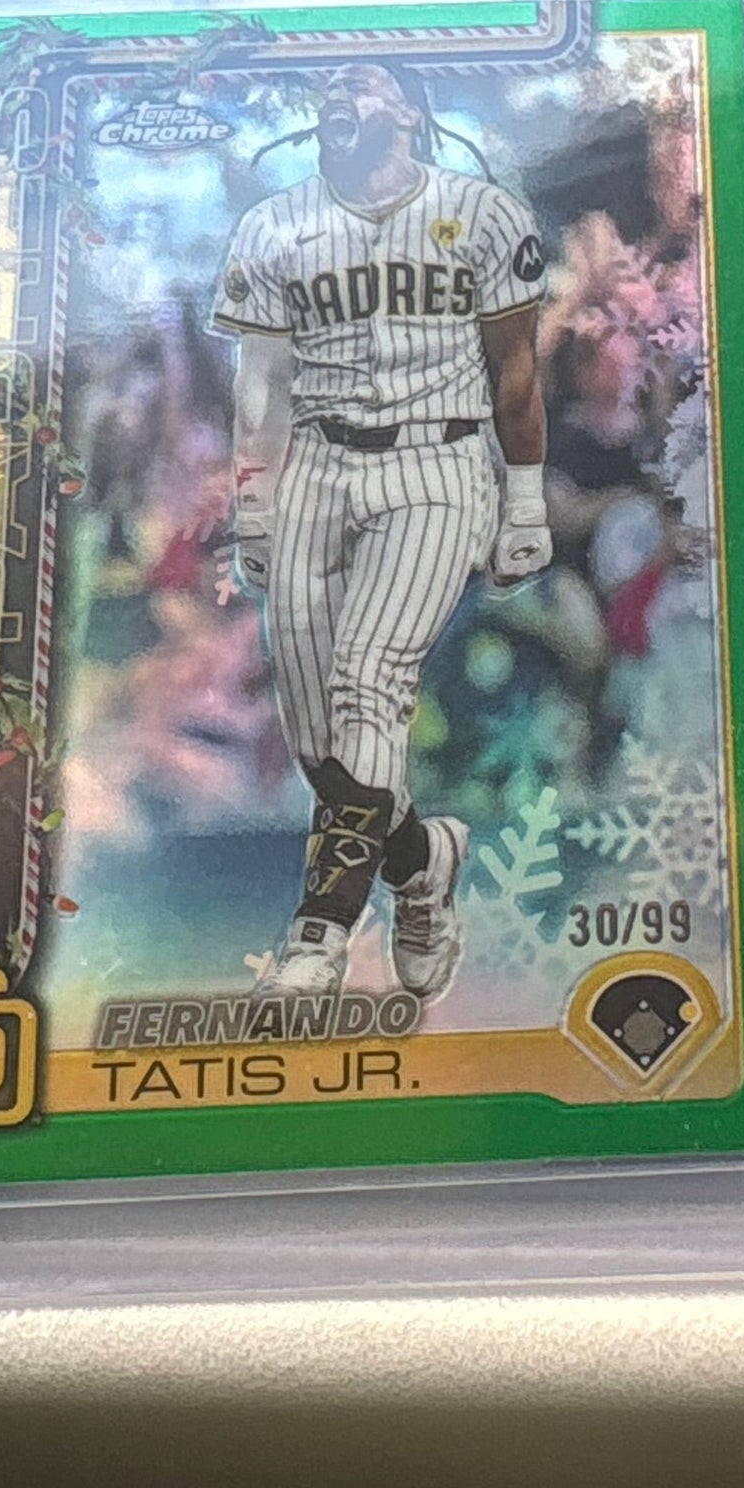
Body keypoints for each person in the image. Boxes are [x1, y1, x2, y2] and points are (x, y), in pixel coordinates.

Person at [213, 64, 552, 1002]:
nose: (337, 93)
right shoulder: (274, 223)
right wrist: (253, 502)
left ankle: (319, 930)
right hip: (316, 465)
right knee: (322, 750)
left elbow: (515, 371)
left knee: (371, 679)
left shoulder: (481, 212)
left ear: (407, 109)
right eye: (327, 84)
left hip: (436, 463)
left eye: (360, 82)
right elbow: (260, 383)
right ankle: (421, 863)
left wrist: (524, 501)